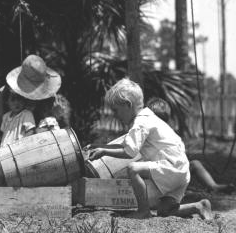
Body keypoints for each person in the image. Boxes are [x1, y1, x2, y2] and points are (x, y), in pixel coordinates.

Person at [89, 78, 212, 220]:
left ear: (127, 104)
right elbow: (126, 145)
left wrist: (104, 151)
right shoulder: (149, 118)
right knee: (165, 211)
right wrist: (102, 147)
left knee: (133, 169)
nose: (115, 115)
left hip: (170, 167)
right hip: (181, 171)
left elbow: (129, 152)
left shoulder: (141, 122)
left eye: (116, 110)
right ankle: (198, 206)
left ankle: (143, 211)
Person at [146, 97, 234, 195]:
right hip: (161, 174)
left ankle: (213, 186)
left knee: (195, 164)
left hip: (170, 172)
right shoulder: (150, 133)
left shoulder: (166, 134)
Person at [0, 54, 63, 156]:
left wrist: (57, 114)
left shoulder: (50, 97)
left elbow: (59, 131)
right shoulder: (5, 94)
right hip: (9, 150)